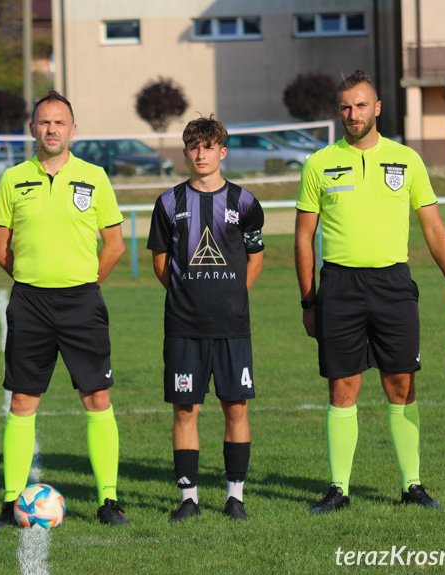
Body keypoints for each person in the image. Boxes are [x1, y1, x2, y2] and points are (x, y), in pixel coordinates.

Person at [295, 70, 445, 515]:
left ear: (377, 108)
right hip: (339, 287)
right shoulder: (318, 164)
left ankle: (412, 485)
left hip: (393, 285)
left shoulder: (408, 160)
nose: (352, 115)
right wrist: (308, 298)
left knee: (402, 385)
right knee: (343, 387)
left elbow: (433, 227)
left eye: (360, 105)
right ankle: (338, 489)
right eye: (345, 107)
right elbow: (302, 239)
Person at [0, 90, 128, 528]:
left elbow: (114, 244)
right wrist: (32, 278)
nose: (51, 129)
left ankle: (109, 500)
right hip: (30, 302)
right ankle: (11, 503)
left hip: (81, 301)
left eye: (59, 122)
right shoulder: (13, 179)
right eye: (43, 122)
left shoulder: (95, 177)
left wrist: (85, 283)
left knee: (97, 396)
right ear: (32, 129)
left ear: (73, 130)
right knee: (23, 401)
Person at [148, 116, 264, 523]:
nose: (201, 154)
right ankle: (189, 498)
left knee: (236, 408)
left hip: (233, 326)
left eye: (209, 146)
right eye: (194, 147)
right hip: (184, 328)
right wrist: (185, 296)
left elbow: (255, 257)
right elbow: (161, 262)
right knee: (185, 410)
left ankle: (235, 496)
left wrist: (231, 295)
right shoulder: (167, 203)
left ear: (222, 152)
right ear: (185, 153)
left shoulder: (245, 202)